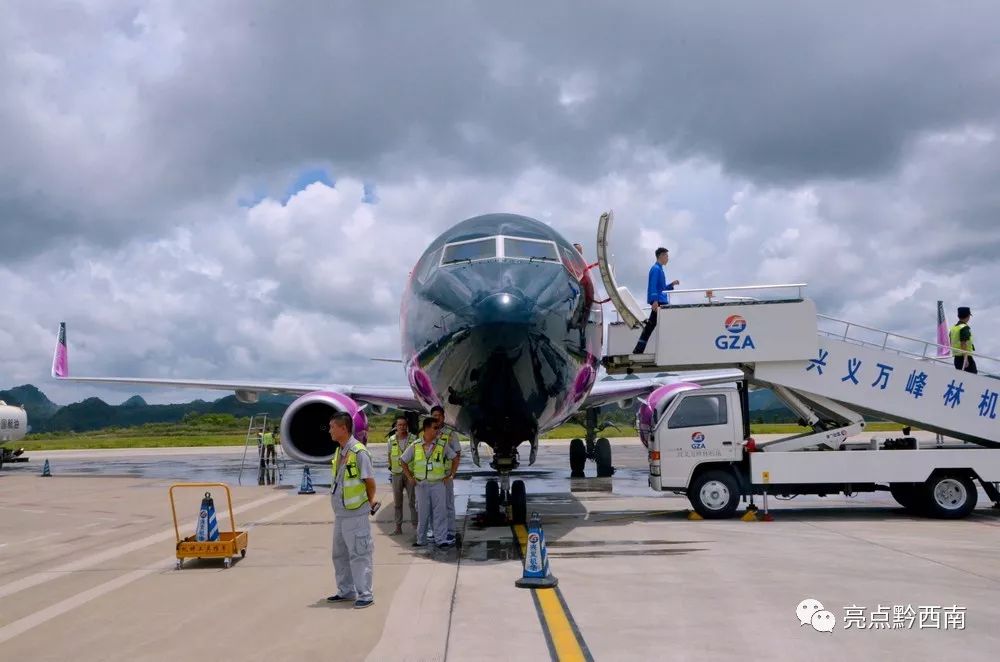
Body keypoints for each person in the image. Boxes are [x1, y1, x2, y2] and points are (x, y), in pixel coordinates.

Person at [326, 411, 379, 609]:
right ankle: (346, 590)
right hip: (341, 513)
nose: (329, 430)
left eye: (332, 427)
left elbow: (370, 481)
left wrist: (371, 500)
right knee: (339, 554)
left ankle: (365, 594)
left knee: (359, 553)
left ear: (343, 428)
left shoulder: (359, 452)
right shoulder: (340, 451)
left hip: (356, 513)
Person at [400, 417, 458, 549]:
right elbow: (403, 461)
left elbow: (455, 458)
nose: (438, 430)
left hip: (438, 484)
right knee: (423, 512)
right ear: (426, 429)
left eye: (438, 428)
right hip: (421, 485)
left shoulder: (442, 445)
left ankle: (441, 540)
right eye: (435, 428)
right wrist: (409, 477)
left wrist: (452, 475)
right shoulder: (415, 445)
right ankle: (421, 539)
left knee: (440, 512)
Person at [632, 247, 680, 354]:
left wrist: (671, 285)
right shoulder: (656, 269)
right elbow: (653, 286)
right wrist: (654, 301)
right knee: (651, 326)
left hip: (660, 300)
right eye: (666, 256)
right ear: (661, 256)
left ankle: (638, 349)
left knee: (651, 325)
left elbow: (661, 288)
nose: (668, 258)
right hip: (659, 302)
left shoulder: (659, 269)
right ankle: (638, 349)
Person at [431, 405, 461, 543]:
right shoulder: (427, 433)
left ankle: (451, 532)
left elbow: (457, 454)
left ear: (443, 417)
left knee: (448, 504)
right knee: (434, 504)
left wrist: (453, 473)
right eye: (434, 415)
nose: (436, 418)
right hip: (432, 475)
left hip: (446, 474)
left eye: (438, 415)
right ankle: (436, 531)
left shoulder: (450, 433)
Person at [387, 414, 418, 535]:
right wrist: (392, 467)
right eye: (399, 425)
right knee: (397, 502)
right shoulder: (391, 440)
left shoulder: (414, 439)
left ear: (407, 426)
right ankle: (398, 527)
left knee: (412, 501)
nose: (402, 427)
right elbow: (389, 456)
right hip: (396, 474)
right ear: (395, 426)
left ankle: (416, 526)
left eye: (404, 425)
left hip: (410, 474)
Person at [951, 307, 977, 374]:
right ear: (968, 316)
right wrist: (966, 359)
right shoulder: (964, 328)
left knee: (962, 379)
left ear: (958, 316)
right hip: (964, 357)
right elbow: (963, 343)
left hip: (957, 358)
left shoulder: (953, 328)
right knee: (973, 378)